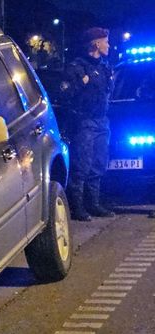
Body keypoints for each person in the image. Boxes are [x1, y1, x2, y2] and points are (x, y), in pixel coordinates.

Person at [62, 27, 116, 221]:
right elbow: (67, 93)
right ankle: (77, 207)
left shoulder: (104, 67)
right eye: (105, 41)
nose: (108, 45)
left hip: (102, 120)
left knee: (99, 163)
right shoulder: (77, 67)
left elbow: (108, 92)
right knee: (81, 165)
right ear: (96, 44)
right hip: (84, 121)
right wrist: (81, 82)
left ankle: (93, 204)